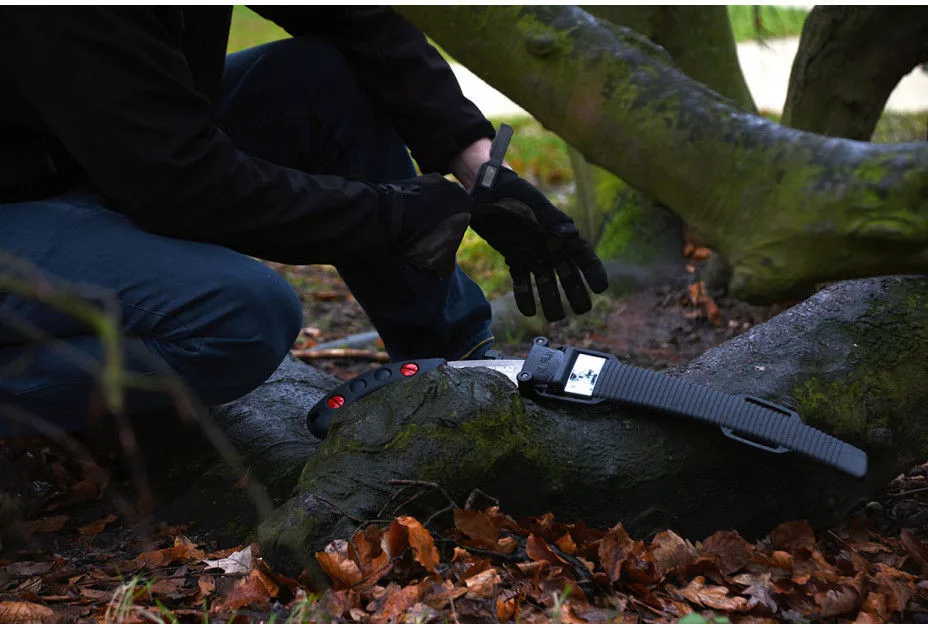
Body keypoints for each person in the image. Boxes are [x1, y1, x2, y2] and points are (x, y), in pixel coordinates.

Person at [0, 6, 607, 435]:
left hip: (98, 151)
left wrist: (477, 165)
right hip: (25, 202)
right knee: (241, 319)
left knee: (322, 81)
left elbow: (351, 19)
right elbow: (176, 182)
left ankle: (459, 369)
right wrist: (392, 215)